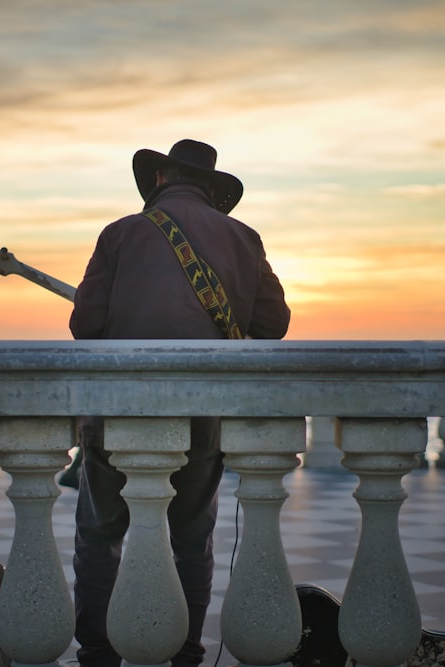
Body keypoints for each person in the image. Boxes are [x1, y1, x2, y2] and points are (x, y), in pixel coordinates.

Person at [69, 139, 291, 667]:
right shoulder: (244, 238)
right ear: (213, 190)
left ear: (160, 180)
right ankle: (185, 655)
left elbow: (84, 326)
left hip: (121, 411)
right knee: (193, 539)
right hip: (203, 415)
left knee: (100, 537)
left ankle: (98, 654)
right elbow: (273, 326)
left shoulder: (120, 233)